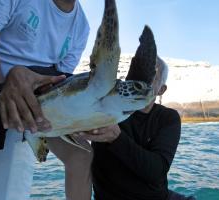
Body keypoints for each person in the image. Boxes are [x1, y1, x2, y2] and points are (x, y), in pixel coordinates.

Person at [0, 0, 92, 199]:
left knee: (82, 154)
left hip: (31, 99)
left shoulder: (81, 26)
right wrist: (1, 91)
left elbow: (59, 79)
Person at [76, 56, 196, 200]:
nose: (140, 81)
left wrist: (116, 138)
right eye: (136, 76)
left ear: (161, 90)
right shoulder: (105, 106)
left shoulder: (167, 118)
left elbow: (157, 171)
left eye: (150, 78)